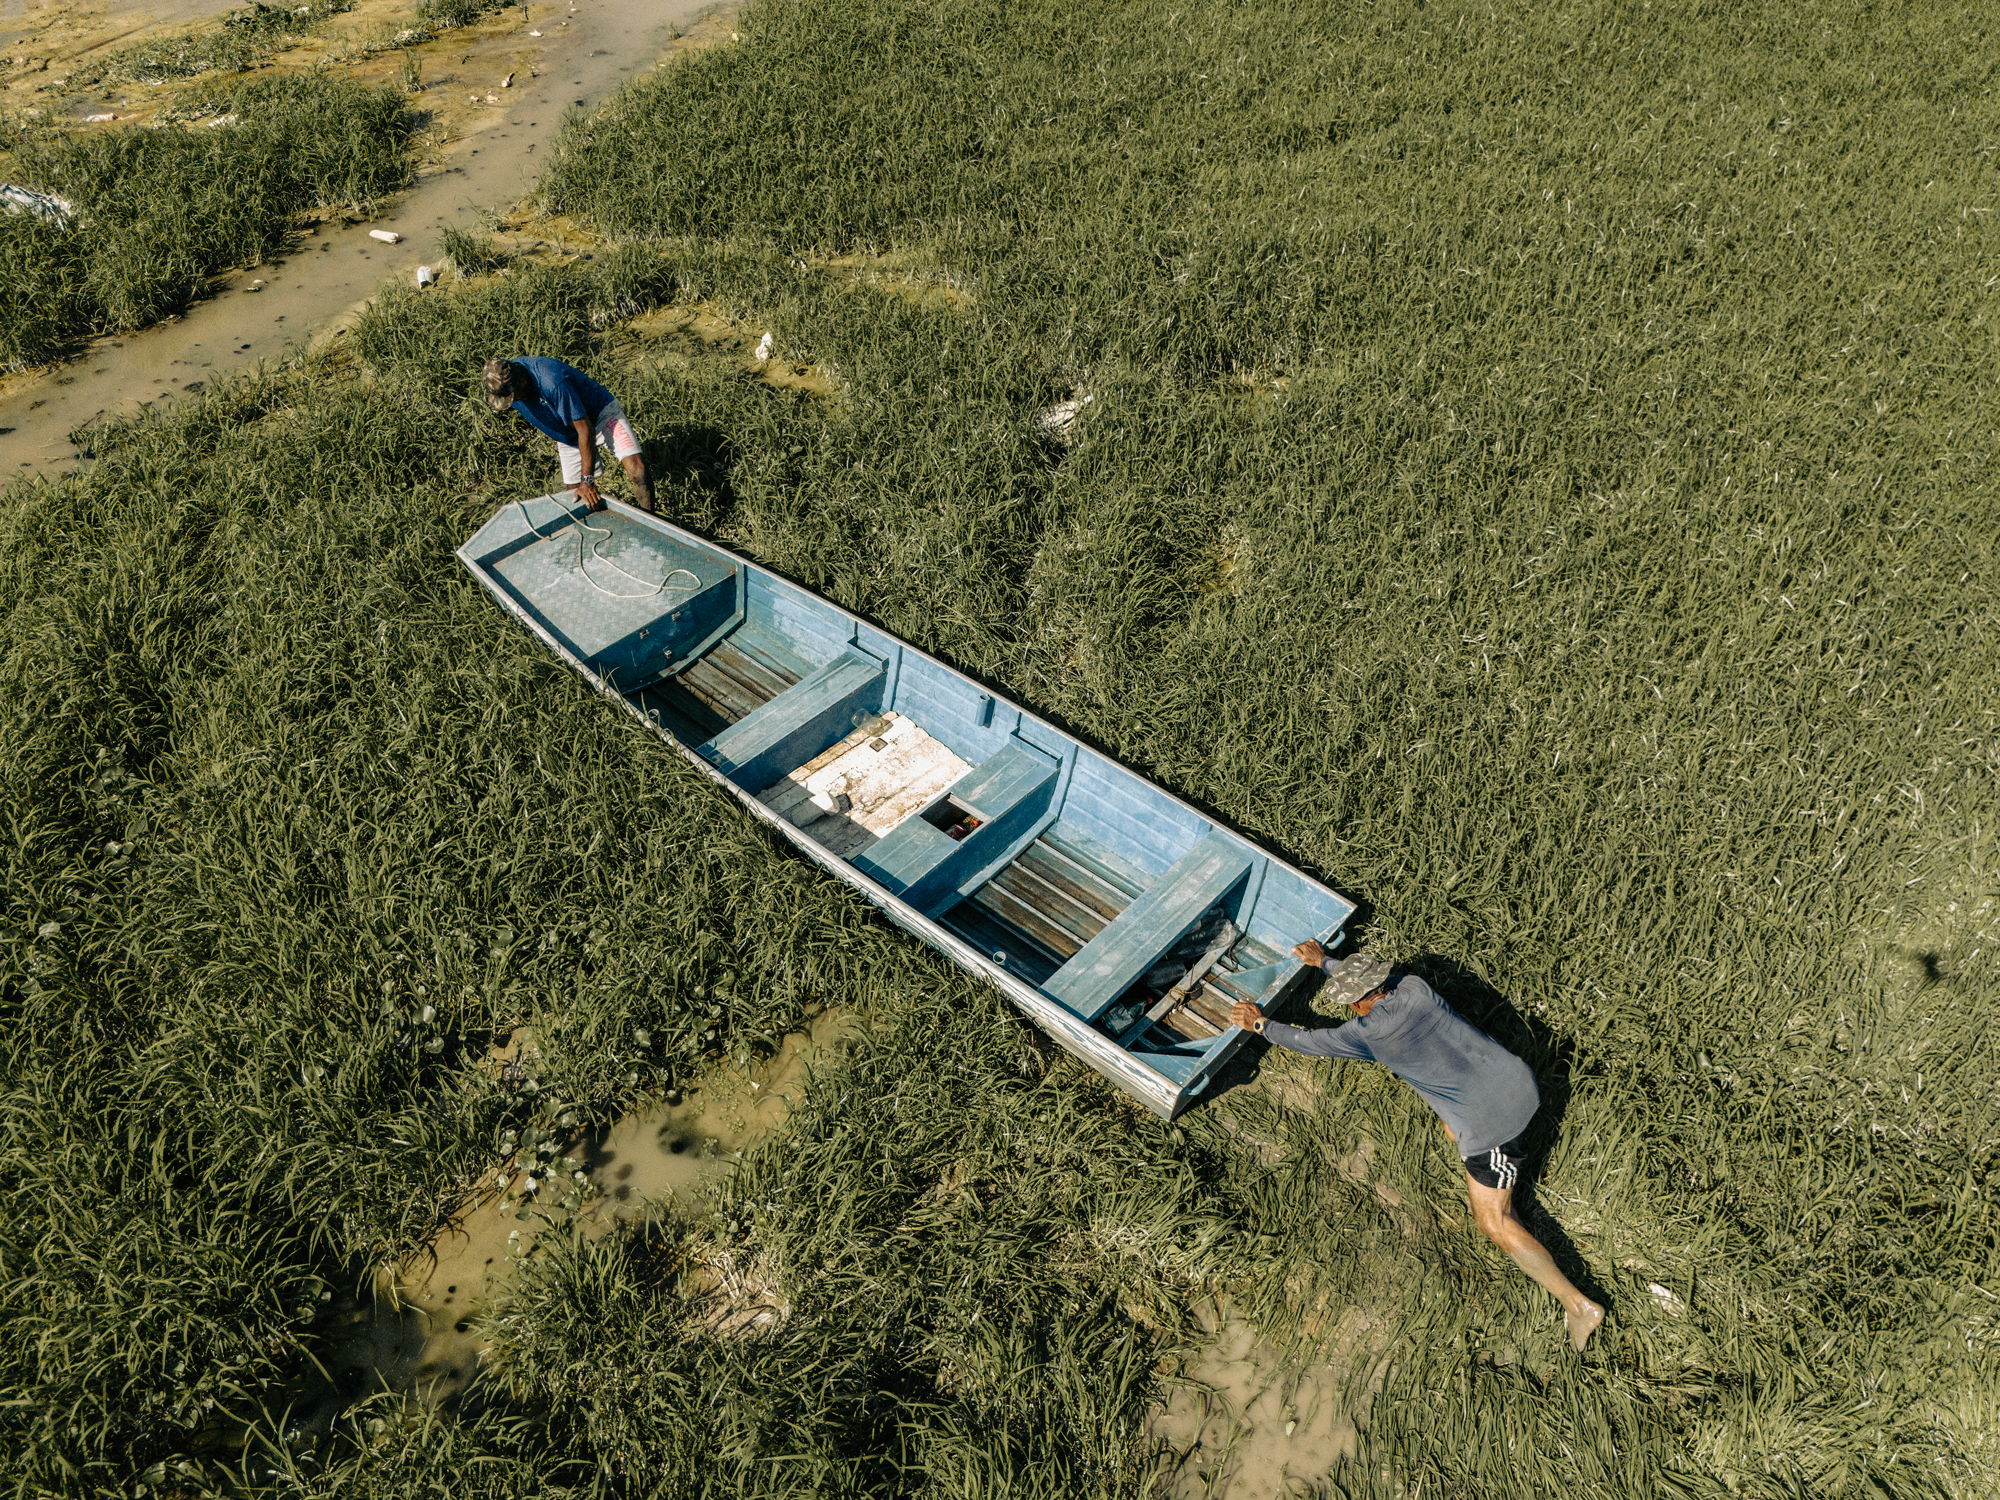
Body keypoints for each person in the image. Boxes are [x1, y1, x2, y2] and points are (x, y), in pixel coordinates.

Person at [1230, 943, 1605, 1352]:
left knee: (1491, 1223)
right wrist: (1324, 962)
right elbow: (1369, 985)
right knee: (1452, 1127)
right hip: (1517, 1078)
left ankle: (1579, 1305)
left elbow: (1312, 1041)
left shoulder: (1365, 1034)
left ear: (1354, 1003)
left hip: (1493, 1122)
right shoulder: (1416, 989)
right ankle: (1502, 1184)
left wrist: (1261, 1025)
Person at [484, 356, 654, 513]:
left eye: (512, 397)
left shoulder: (551, 381)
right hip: (567, 433)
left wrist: (587, 480)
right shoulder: (503, 380)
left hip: (600, 413)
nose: (512, 402)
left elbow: (585, 428)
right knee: (575, 499)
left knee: (638, 471)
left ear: (522, 382)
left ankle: (651, 522)